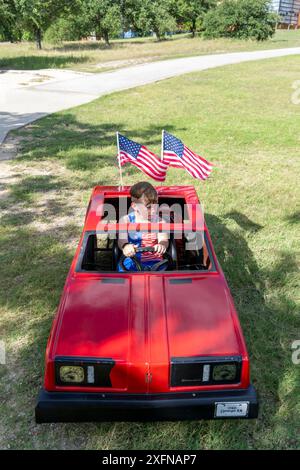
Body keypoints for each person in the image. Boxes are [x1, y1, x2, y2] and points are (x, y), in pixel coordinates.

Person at [117, 182, 169, 271]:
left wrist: (161, 245)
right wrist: (126, 246)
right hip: (132, 260)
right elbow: (122, 240)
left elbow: (164, 239)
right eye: (148, 207)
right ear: (134, 206)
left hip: (156, 262)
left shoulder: (160, 221)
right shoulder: (126, 220)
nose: (153, 211)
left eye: (155, 205)